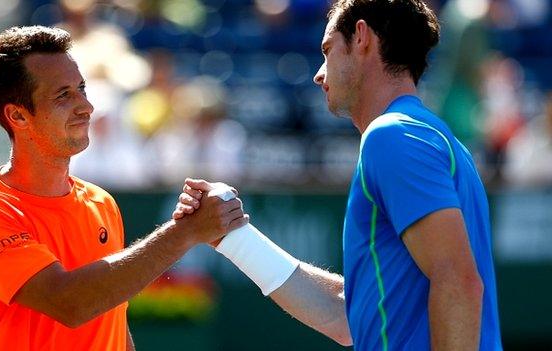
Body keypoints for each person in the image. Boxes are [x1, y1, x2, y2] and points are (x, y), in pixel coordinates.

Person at [175, 0, 502, 349]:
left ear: (361, 37)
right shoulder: (434, 141)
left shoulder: (392, 135)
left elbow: (458, 282)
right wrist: (233, 236)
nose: (319, 74)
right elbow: (347, 316)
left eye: (328, 50)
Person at [0, 26, 248, 350]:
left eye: (81, 89)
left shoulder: (101, 202)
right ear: (18, 115)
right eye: (63, 95)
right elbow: (69, 304)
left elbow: (110, 319)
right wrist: (184, 233)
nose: (86, 106)